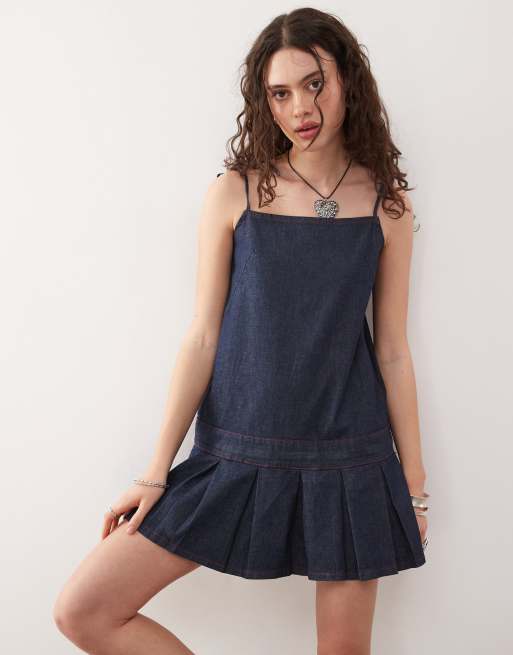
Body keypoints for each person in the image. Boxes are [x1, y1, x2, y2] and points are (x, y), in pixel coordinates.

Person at [54, 7, 429, 654]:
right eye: (279, 93)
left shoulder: (385, 205)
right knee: (84, 611)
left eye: (314, 83)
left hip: (348, 459)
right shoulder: (237, 192)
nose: (299, 108)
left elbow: (393, 351)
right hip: (235, 451)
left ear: (348, 80)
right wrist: (155, 472)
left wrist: (414, 491)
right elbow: (203, 335)